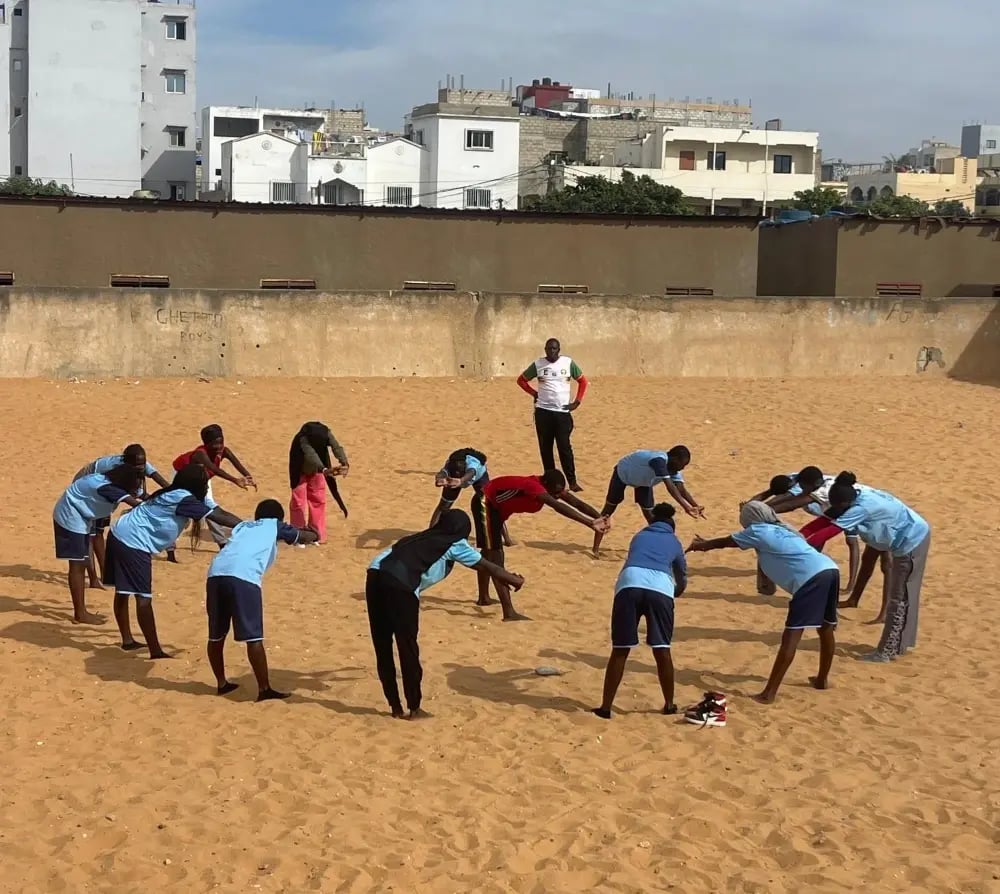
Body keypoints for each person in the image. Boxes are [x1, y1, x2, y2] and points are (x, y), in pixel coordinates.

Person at [367, 510, 525, 718]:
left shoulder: (418, 537)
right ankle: (414, 708)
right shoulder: (454, 543)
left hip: (373, 575)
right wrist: (516, 580)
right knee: (407, 647)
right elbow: (488, 567)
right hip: (400, 585)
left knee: (383, 645)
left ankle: (395, 707)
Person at [686, 501, 839, 706]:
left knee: (791, 636)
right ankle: (821, 680)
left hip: (809, 580)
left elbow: (725, 541)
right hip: (829, 568)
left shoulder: (758, 531)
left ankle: (769, 693)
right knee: (825, 627)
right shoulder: (781, 529)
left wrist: (701, 546)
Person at [105, 464, 242, 658]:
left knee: (123, 591)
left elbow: (217, 511)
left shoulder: (176, 493)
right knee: (143, 598)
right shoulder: (183, 499)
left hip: (119, 533)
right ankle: (155, 650)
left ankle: (128, 640)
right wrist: (247, 526)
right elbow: (219, 516)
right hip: (133, 541)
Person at [206, 499, 319, 701]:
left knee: (216, 635)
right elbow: (303, 536)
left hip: (215, 574)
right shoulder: (274, 525)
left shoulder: (244, 525)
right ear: (279, 517)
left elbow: (221, 515)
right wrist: (314, 532)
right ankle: (264, 689)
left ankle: (222, 683)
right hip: (243, 577)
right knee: (253, 637)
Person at [471, 470, 610, 620]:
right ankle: (509, 612)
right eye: (555, 492)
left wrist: (599, 517)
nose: (558, 495)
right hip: (484, 503)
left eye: (560, 492)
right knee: (496, 557)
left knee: (489, 552)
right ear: (545, 485)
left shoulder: (549, 488)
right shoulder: (534, 487)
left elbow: (576, 503)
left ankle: (484, 597)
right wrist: (590, 523)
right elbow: (557, 506)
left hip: (495, 508)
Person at [592, 504, 687, 720]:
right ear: (671, 527)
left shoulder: (639, 536)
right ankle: (669, 704)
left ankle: (605, 707)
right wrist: (677, 591)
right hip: (661, 589)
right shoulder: (674, 541)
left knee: (620, 649)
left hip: (629, 583)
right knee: (662, 649)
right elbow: (681, 574)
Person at [825, 472, 930, 663]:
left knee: (899, 599)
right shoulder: (859, 492)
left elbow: (828, 531)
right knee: (906, 596)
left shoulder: (861, 508)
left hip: (910, 543)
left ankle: (886, 651)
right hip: (913, 534)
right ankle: (899, 644)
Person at [53, 466, 145, 625]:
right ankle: (80, 613)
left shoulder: (113, 480)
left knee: (81, 560)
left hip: (83, 514)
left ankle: (81, 609)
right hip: (70, 515)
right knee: (77, 564)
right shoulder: (108, 488)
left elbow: (142, 496)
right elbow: (138, 506)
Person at [74, 444, 172, 582]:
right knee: (90, 535)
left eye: (143, 464)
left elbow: (159, 479)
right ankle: (93, 578)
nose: (141, 468)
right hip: (88, 488)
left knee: (99, 532)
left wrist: (175, 495)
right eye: (138, 465)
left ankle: (105, 573)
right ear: (127, 464)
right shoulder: (115, 469)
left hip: (104, 490)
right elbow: (134, 495)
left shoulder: (139, 463)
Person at [593, 447, 705, 555]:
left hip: (643, 483)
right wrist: (686, 507)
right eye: (682, 464)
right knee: (608, 511)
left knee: (652, 518)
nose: (682, 468)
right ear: (674, 459)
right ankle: (595, 548)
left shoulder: (673, 469)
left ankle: (659, 549)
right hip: (623, 473)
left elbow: (681, 489)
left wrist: (695, 506)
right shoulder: (659, 461)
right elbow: (670, 487)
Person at [517, 338, 588, 492]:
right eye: (549, 348)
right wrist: (534, 393)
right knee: (546, 448)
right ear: (545, 349)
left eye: (554, 348)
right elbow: (521, 380)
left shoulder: (568, 363)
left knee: (564, 447)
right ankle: (550, 482)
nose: (551, 351)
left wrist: (577, 402)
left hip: (562, 413)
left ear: (559, 349)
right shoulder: (538, 364)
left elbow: (583, 381)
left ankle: (572, 481)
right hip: (543, 412)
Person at [172, 424, 255, 549]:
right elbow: (214, 469)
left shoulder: (223, 450)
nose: (219, 447)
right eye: (215, 444)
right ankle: (170, 544)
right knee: (180, 513)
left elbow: (235, 462)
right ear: (206, 444)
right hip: (183, 479)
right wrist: (235, 480)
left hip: (202, 480)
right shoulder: (200, 454)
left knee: (211, 510)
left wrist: (248, 476)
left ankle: (223, 542)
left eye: (221, 442)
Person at [429, 447, 513, 546]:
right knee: (443, 506)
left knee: (491, 506)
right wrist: (440, 479)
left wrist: (461, 480)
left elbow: (471, 472)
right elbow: (443, 472)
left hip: (479, 478)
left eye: (460, 468)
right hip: (455, 480)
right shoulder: (451, 464)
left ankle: (507, 539)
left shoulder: (474, 464)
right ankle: (430, 535)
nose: (458, 471)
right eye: (456, 469)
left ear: (465, 464)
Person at [288, 422, 349, 545]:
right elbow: (311, 455)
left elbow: (336, 447)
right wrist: (324, 469)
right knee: (298, 501)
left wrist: (345, 463)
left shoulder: (327, 434)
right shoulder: (302, 439)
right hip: (300, 468)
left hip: (317, 470)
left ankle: (317, 532)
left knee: (318, 498)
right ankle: (298, 533)